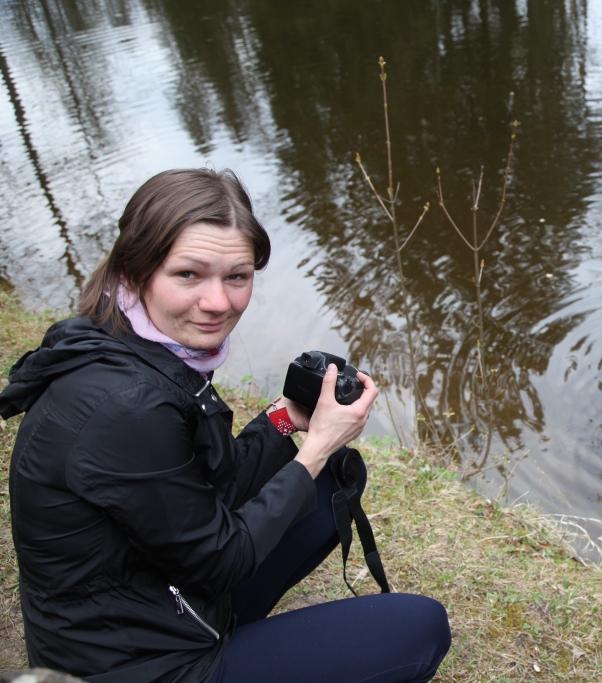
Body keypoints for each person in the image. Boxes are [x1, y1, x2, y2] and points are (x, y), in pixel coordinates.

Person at [0, 168, 451, 683]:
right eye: (188, 275)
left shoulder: (146, 347)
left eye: (236, 276)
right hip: (140, 664)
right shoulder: (125, 405)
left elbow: (204, 489)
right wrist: (315, 448)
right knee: (420, 627)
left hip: (160, 598)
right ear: (133, 271)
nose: (219, 303)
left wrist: (287, 419)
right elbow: (218, 562)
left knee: (334, 481)